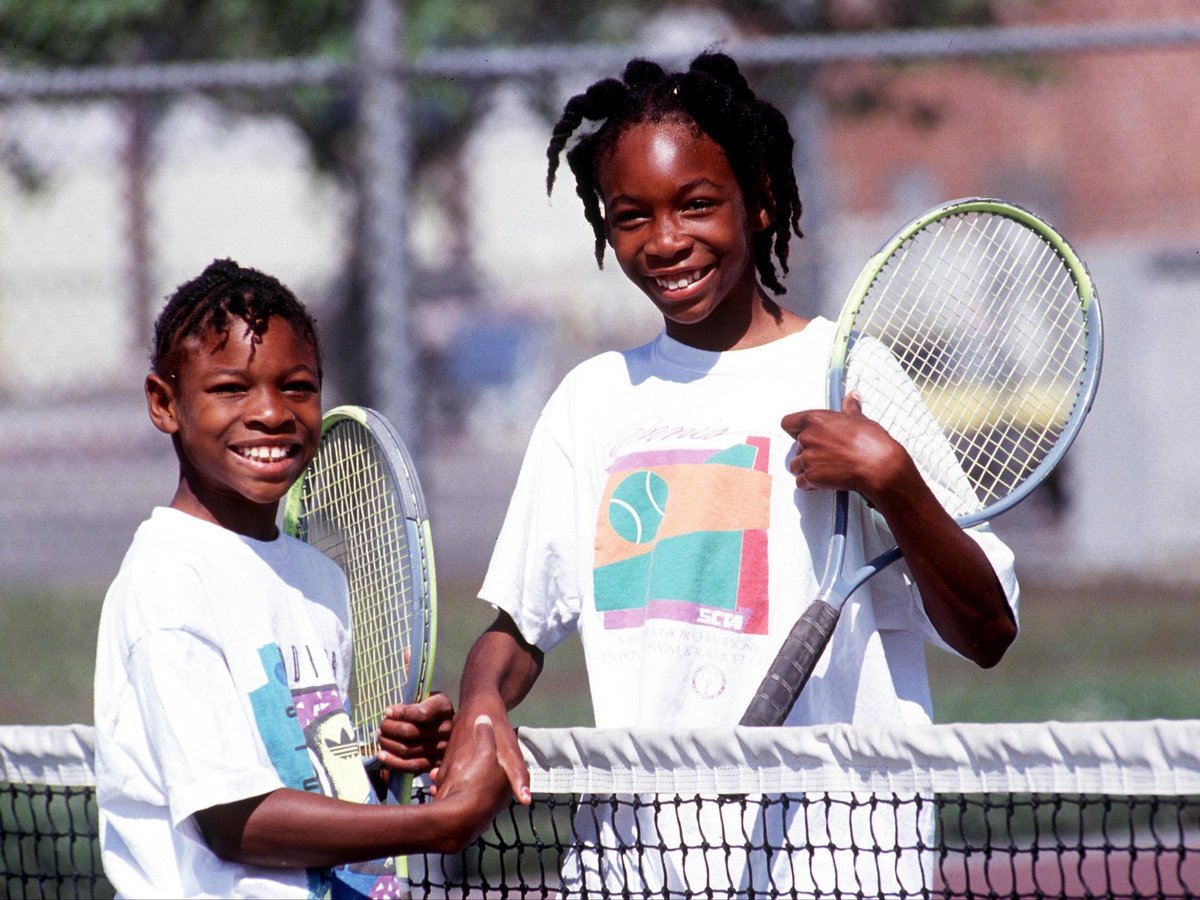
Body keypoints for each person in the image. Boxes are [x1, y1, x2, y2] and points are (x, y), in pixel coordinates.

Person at [439, 52, 1020, 894]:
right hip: (640, 867)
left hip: (839, 867)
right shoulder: (591, 401)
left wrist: (893, 481)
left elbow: (988, 631)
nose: (666, 240)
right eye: (630, 216)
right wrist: (483, 700)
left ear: (761, 199)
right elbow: (519, 629)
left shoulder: (850, 371)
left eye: (697, 204)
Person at [93, 258, 508, 899]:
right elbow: (233, 820)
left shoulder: (320, 579)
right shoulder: (168, 578)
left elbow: (307, 772)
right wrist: (437, 823)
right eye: (231, 388)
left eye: (297, 386)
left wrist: (383, 761)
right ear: (164, 403)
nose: (271, 412)